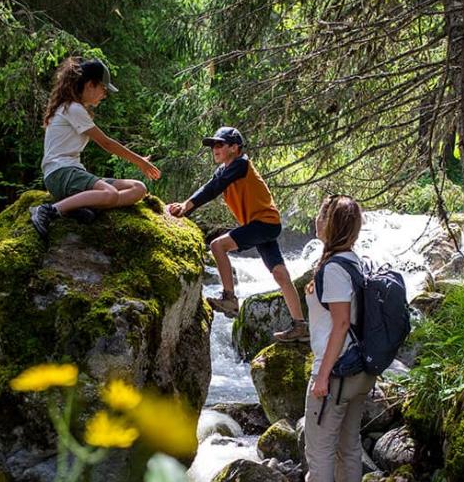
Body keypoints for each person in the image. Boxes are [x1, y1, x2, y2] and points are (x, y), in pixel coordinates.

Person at [270, 194, 376, 482]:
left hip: (337, 374)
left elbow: (341, 323)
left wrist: (322, 375)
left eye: (321, 215)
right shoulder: (354, 263)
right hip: (360, 372)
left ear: (330, 224)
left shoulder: (333, 269)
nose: (316, 220)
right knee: (348, 449)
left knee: (319, 451)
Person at [167, 126, 307, 337]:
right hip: (263, 224)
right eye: (213, 145)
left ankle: (230, 299)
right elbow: (210, 186)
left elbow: (213, 189)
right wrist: (185, 206)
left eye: (220, 144)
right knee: (280, 273)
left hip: (263, 224)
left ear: (234, 147)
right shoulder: (226, 169)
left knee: (217, 246)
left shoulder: (240, 164)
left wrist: (186, 207)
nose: (215, 149)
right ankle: (300, 325)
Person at [30, 56, 161, 239]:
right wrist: (140, 162)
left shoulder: (75, 108)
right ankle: (48, 210)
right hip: (60, 173)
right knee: (110, 194)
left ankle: (79, 206)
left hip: (72, 173)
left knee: (138, 188)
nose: (104, 94)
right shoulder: (72, 108)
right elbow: (106, 143)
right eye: (103, 88)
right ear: (90, 84)